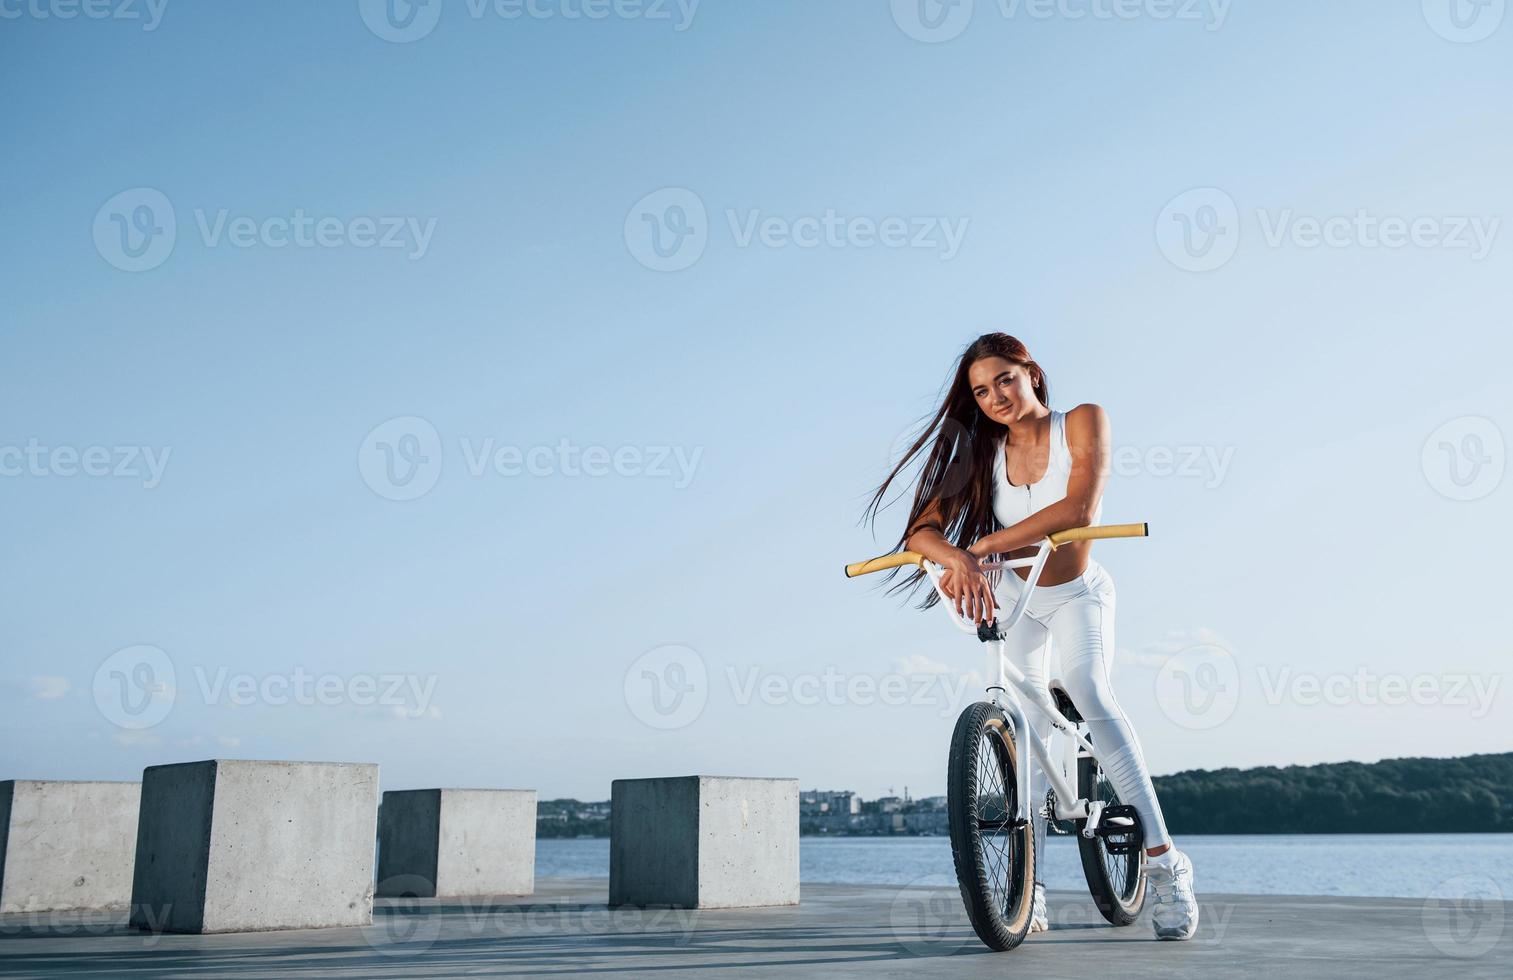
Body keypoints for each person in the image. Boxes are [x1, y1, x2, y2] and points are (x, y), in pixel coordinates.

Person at [863, 332, 1199, 940]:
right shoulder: (981, 448)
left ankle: (1167, 864)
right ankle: (1029, 887)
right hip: (1016, 597)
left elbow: (1079, 510)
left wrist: (984, 546)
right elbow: (922, 530)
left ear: (1032, 373)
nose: (995, 398)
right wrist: (958, 560)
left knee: (1088, 689)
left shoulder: (1084, 421)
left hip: (1076, 594)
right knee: (1026, 723)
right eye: (981, 390)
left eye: (1005, 381)